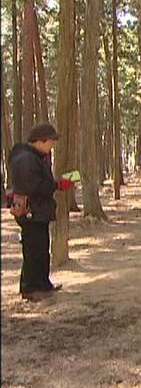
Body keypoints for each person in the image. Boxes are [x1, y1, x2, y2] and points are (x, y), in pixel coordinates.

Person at [8, 122, 75, 302]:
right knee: (33, 251)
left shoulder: (35, 157)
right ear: (40, 141)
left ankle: (43, 284)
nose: (52, 146)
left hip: (39, 212)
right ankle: (30, 288)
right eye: (50, 142)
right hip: (31, 212)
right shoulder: (25, 160)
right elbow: (34, 186)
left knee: (42, 249)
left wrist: (58, 184)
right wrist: (58, 185)